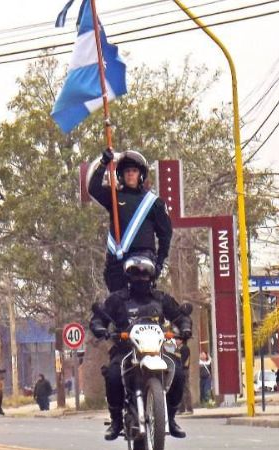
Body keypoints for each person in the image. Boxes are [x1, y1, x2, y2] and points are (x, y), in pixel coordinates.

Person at [89, 255, 192, 440]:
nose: (141, 279)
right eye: (136, 274)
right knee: (112, 374)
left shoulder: (161, 299)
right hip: (125, 350)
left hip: (157, 350)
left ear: (152, 277)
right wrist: (100, 328)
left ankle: (171, 417)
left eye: (145, 275)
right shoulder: (117, 300)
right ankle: (116, 421)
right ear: (128, 277)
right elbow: (98, 319)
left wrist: (184, 327)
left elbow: (180, 316)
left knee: (178, 372)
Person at [88, 149, 173, 292]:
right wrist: (103, 164)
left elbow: (165, 235)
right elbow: (94, 189)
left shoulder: (154, 203)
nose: (130, 174)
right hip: (117, 263)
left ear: (140, 174)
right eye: (127, 171)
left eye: (134, 170)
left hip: (144, 261)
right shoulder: (114, 197)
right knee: (114, 307)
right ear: (121, 174)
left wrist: (159, 263)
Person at [176, 337, 193, 414]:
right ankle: (181, 408)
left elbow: (183, 360)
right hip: (179, 370)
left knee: (186, 389)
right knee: (179, 390)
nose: (176, 341)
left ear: (181, 341)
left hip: (184, 370)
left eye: (177, 340)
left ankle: (189, 408)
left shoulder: (185, 348)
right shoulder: (177, 348)